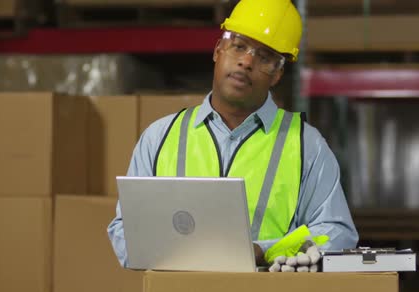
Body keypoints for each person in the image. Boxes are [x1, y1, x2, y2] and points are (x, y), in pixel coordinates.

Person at [108, 0, 358, 267]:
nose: (247, 61)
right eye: (239, 46)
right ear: (218, 50)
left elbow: (338, 234)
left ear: (277, 74)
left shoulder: (306, 146)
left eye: (264, 57)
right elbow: (124, 232)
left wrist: (264, 251)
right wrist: (189, 254)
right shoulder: (159, 138)